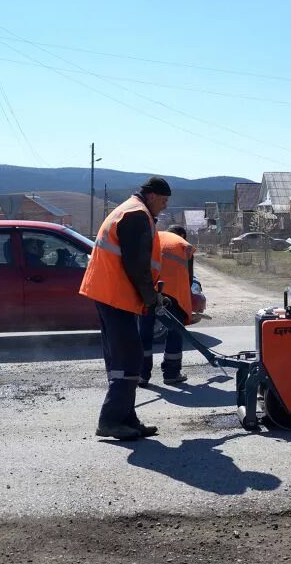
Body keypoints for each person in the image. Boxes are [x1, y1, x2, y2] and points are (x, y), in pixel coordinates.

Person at [79, 176, 171, 440]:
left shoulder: (131, 210)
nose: (164, 206)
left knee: (124, 356)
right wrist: (150, 296)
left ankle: (126, 418)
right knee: (129, 357)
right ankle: (110, 420)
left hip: (110, 294)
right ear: (152, 196)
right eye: (163, 201)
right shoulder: (136, 215)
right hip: (114, 295)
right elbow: (136, 264)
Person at [138, 224, 194, 387]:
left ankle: (142, 375)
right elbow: (188, 278)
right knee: (175, 332)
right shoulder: (184, 245)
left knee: (145, 333)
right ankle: (171, 373)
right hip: (173, 295)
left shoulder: (154, 237)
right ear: (182, 234)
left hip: (149, 291)